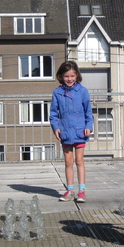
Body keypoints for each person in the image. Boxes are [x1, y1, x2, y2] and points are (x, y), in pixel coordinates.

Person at [50, 61, 93, 203]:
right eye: (66, 76)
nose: (69, 79)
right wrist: (56, 127)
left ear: (77, 76)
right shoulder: (57, 92)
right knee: (68, 162)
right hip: (65, 132)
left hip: (80, 131)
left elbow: (88, 112)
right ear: (61, 76)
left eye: (72, 76)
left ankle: (82, 191)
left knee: (79, 161)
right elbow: (53, 114)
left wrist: (88, 126)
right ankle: (69, 190)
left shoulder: (83, 91)